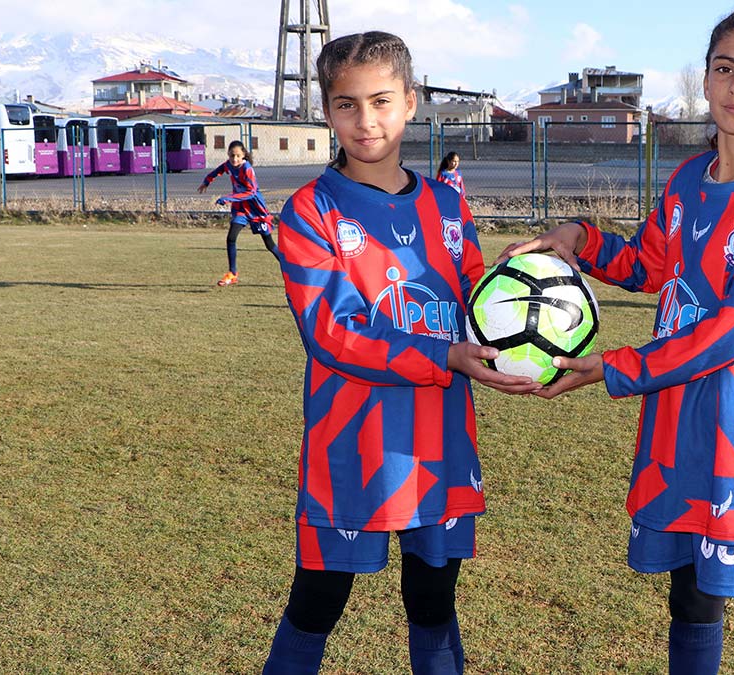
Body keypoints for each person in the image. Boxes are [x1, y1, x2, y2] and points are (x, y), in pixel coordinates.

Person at [498, 5, 734, 673]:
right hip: (678, 422)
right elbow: (649, 265)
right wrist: (580, 238)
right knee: (691, 600)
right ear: (705, 81)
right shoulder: (685, 182)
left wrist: (613, 367)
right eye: (725, 68)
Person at [264, 31, 538, 674]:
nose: (366, 120)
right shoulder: (310, 212)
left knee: (433, 601)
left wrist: (523, 294)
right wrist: (442, 358)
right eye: (347, 104)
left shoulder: (447, 205)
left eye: (382, 101)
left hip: (439, 442)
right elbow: (331, 331)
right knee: (319, 600)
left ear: (411, 102)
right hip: (352, 443)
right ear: (326, 111)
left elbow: (475, 304)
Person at [197, 140, 279, 286]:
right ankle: (232, 274)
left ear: (243, 156)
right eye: (231, 156)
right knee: (231, 237)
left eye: (237, 156)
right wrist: (206, 182)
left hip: (256, 209)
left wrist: (229, 198)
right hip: (241, 208)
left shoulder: (247, 169)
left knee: (269, 244)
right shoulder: (229, 165)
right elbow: (217, 171)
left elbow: (251, 192)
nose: (234, 159)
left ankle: (291, 268)